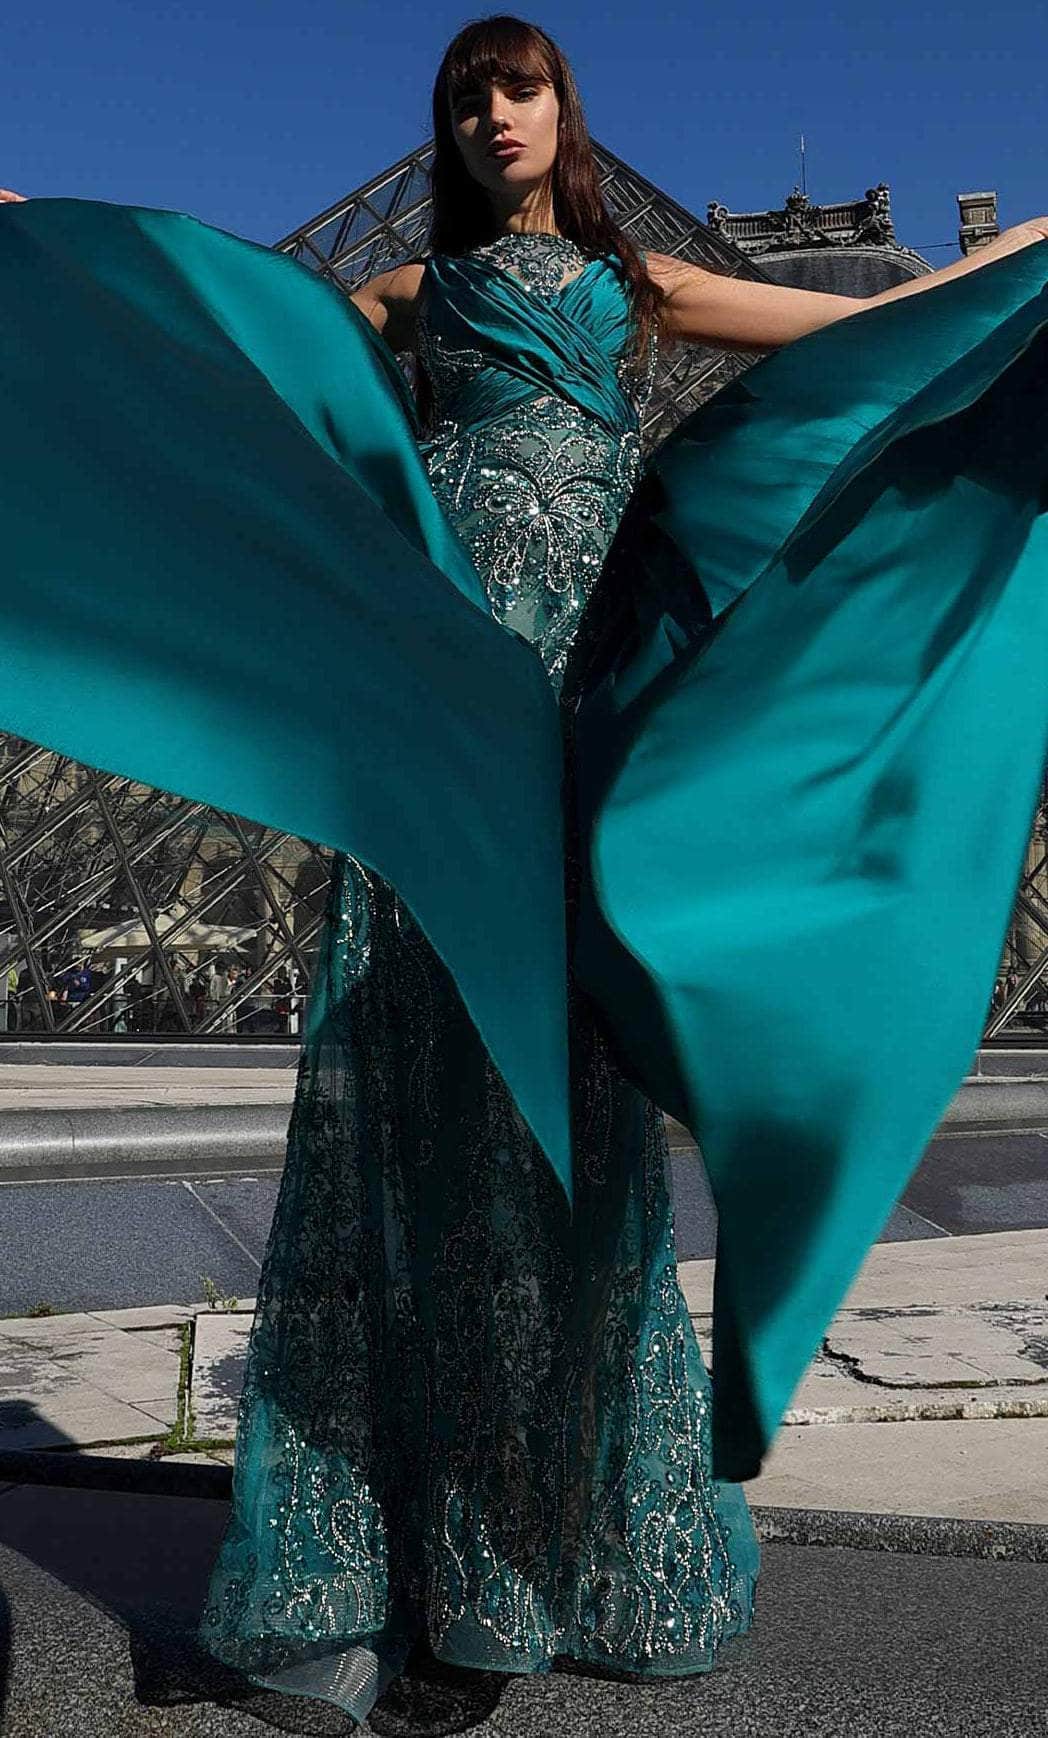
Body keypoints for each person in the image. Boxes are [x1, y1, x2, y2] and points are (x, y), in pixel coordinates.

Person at [2, 13, 1047, 1726]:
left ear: (566, 108)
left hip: (576, 710)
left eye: (523, 86)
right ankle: (419, 1563)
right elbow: (226, 340)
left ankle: (520, 1561)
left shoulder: (645, 286)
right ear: (452, 124)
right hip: (444, 715)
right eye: (471, 95)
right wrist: (50, 234)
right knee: (429, 1125)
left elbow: (874, 333)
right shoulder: (406, 296)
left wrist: (1019, 257)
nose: (498, 114)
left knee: (558, 1137)